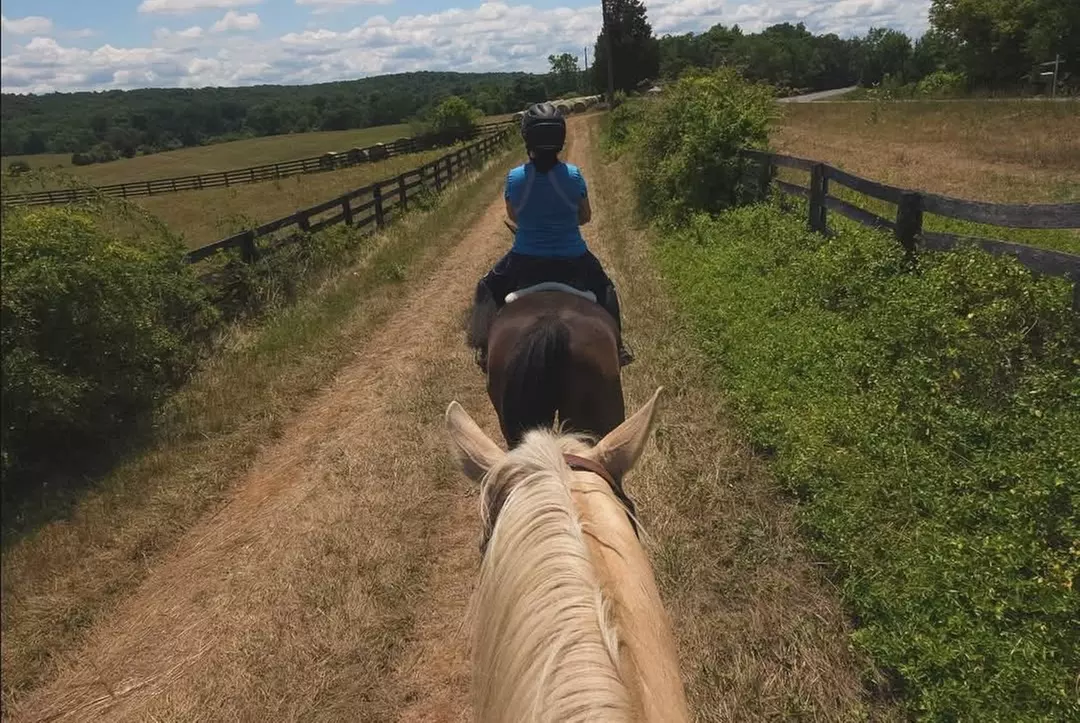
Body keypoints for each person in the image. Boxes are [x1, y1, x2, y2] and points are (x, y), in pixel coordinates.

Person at [467, 101, 633, 371]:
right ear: (560, 137)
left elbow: (515, 215)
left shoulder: (515, 178)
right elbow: (586, 216)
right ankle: (620, 348)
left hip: (524, 259)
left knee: (486, 286)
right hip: (574, 258)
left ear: (527, 138)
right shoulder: (574, 175)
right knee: (606, 288)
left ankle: (485, 351)